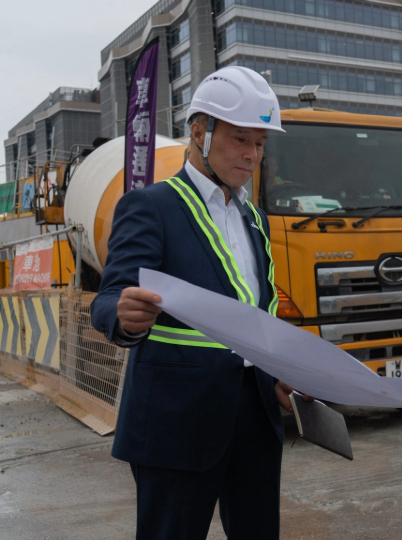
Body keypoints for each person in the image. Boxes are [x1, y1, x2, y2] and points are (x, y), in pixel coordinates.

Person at [91, 66, 305, 540]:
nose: (253, 155)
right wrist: (123, 318)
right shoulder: (151, 207)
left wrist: (277, 369)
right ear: (199, 132)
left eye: (261, 144)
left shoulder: (255, 220)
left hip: (255, 416)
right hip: (176, 420)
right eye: (241, 140)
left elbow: (257, 311)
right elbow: (107, 299)